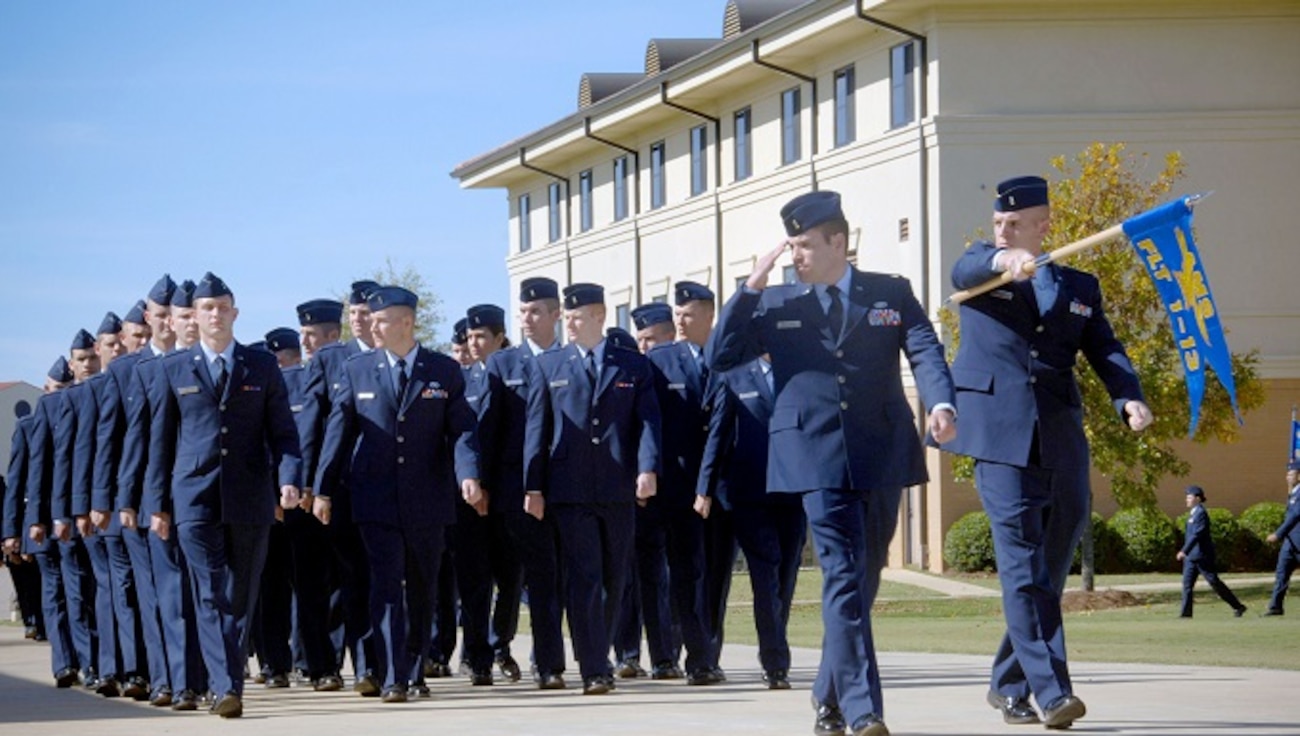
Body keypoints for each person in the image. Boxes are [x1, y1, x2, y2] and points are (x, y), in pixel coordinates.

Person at [709, 190, 956, 736]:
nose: (794, 255)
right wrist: (749, 290)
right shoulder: (775, 303)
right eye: (791, 245)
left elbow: (924, 348)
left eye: (803, 245)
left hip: (881, 450)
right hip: (813, 454)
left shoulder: (890, 292)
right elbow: (719, 356)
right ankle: (864, 709)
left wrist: (941, 402)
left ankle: (828, 695)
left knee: (863, 579)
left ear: (838, 242)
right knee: (842, 573)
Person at [942, 176, 1152, 730]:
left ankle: (1007, 683)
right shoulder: (982, 272)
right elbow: (964, 270)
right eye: (998, 223)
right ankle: (1053, 693)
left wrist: (1128, 396)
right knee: (1022, 567)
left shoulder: (1079, 286)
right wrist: (1004, 259)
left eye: (1015, 224)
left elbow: (1105, 347)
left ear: (1044, 225)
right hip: (999, 439)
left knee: (1050, 568)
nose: (1003, 230)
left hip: (1059, 436)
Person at [316, 285, 483, 703]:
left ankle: (415, 668)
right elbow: (338, 432)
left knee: (423, 588)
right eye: (370, 320)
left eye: (381, 320)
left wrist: (468, 474)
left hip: (428, 499)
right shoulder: (357, 369)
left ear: (406, 322)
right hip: (375, 498)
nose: (371, 327)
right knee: (386, 586)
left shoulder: (444, 370)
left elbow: (462, 430)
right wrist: (322, 489)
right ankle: (392, 676)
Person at [146, 271, 302, 718]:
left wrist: (288, 478)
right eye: (207, 308)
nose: (215, 315)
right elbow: (160, 441)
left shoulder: (261, 365)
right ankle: (226, 687)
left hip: (250, 494)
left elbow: (283, 432)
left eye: (222, 308)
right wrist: (157, 504)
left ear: (235, 313)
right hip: (193, 496)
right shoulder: (173, 368)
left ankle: (225, 682)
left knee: (241, 595)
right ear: (193, 317)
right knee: (210, 592)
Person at [524, 282, 661, 695]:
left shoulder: (631, 365)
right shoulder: (549, 365)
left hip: (618, 486)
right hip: (570, 489)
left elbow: (648, 423)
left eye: (576, 317)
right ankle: (595, 668)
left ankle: (598, 652)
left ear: (599, 316)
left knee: (615, 578)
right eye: (566, 317)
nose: (569, 324)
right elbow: (537, 428)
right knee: (585, 576)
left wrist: (647, 468)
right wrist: (533, 486)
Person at [478, 277, 567, 689]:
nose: (527, 319)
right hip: (513, 492)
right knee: (512, 578)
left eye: (535, 312)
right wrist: (483, 484)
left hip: (563, 488)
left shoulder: (569, 360)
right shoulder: (503, 364)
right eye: (523, 312)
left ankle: (547, 664)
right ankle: (499, 646)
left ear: (555, 315)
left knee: (551, 579)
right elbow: (488, 430)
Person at [697, 353, 806, 690]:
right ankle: (775, 663)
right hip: (750, 495)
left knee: (786, 574)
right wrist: (704, 488)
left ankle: (775, 643)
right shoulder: (734, 377)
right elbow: (718, 433)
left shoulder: (800, 371)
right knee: (765, 572)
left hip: (794, 492)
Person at [644, 283, 724, 686]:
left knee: (716, 576)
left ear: (709, 315)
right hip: (677, 488)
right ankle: (684, 657)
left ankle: (709, 653)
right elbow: (649, 424)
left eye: (688, 314)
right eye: (676, 314)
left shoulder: (727, 357)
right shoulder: (660, 361)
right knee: (683, 573)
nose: (680, 321)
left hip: (722, 486)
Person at [299, 294, 379, 694]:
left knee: (367, 580)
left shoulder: (390, 358)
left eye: (368, 313)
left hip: (378, 488)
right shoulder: (331, 359)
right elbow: (311, 425)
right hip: (335, 489)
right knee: (328, 583)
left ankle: (368, 667)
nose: (361, 319)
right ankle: (325, 666)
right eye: (356, 313)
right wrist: (308, 483)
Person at [612, 303, 679, 681]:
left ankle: (665, 656)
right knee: (626, 577)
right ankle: (627, 653)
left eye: (650, 340)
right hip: (630, 491)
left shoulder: (678, 372)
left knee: (659, 577)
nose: (644, 349)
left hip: (671, 489)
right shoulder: (630, 379)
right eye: (640, 341)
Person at [24, 357, 83, 688]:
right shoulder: (32, 424)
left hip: (75, 518)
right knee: (54, 594)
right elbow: (28, 476)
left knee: (78, 593)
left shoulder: (82, 413)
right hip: (45, 521)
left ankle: (85, 661)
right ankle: (63, 664)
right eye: (57, 389)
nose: (62, 395)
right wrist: (27, 523)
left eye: (66, 388)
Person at [1177, 485, 1246, 618]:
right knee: (1187, 585)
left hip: (1202, 556)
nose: (1187, 499)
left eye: (1189, 497)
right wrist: (1187, 553)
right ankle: (1185, 614)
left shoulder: (1201, 514)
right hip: (1191, 557)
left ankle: (1238, 606)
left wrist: (1184, 550)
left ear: (1198, 499)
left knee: (1214, 582)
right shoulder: (1192, 514)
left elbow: (1196, 535)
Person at [1264, 459, 1300, 615]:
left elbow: (1295, 515)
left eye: (1291, 474)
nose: (1288, 477)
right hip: (1289, 542)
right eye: (1287, 474)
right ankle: (1275, 607)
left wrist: (1278, 534)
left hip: (1298, 541)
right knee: (1281, 573)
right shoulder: (1293, 493)